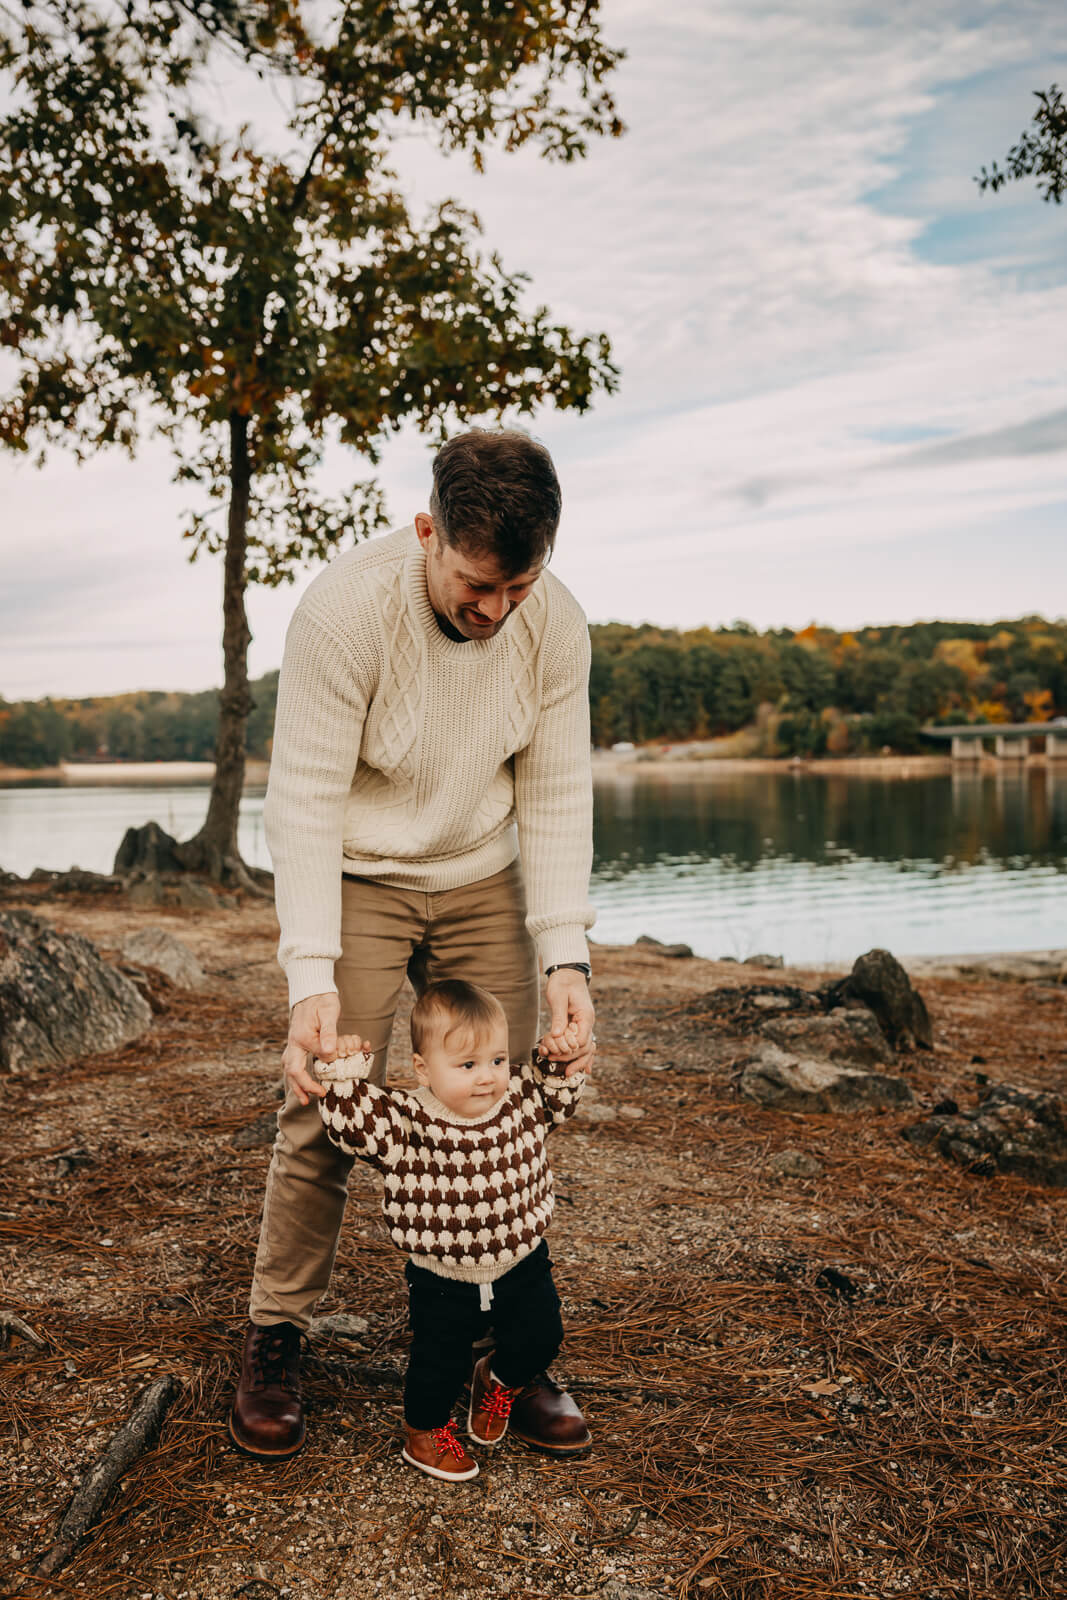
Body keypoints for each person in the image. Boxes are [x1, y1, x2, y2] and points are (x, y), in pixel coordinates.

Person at [230, 427, 597, 1462]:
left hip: (480, 868)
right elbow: (300, 802)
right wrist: (309, 976)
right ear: (427, 531)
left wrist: (563, 954)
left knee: (491, 1100)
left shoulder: (551, 625)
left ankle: (503, 1349)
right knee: (319, 1098)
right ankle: (275, 1332)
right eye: (478, 584)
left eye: (517, 588)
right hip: (355, 870)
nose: (495, 611)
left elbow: (557, 793)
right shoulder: (344, 615)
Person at [315, 979, 585, 1481]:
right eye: (467, 1065)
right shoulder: (405, 1120)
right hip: (441, 1276)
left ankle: (498, 1380)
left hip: (523, 1260)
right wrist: (344, 1074)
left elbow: (560, 1095)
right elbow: (350, 1123)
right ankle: (425, 1432)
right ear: (423, 1068)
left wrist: (561, 1058)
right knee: (438, 1361)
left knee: (542, 1336)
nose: (487, 1078)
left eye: (498, 1061)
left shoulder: (523, 1100)